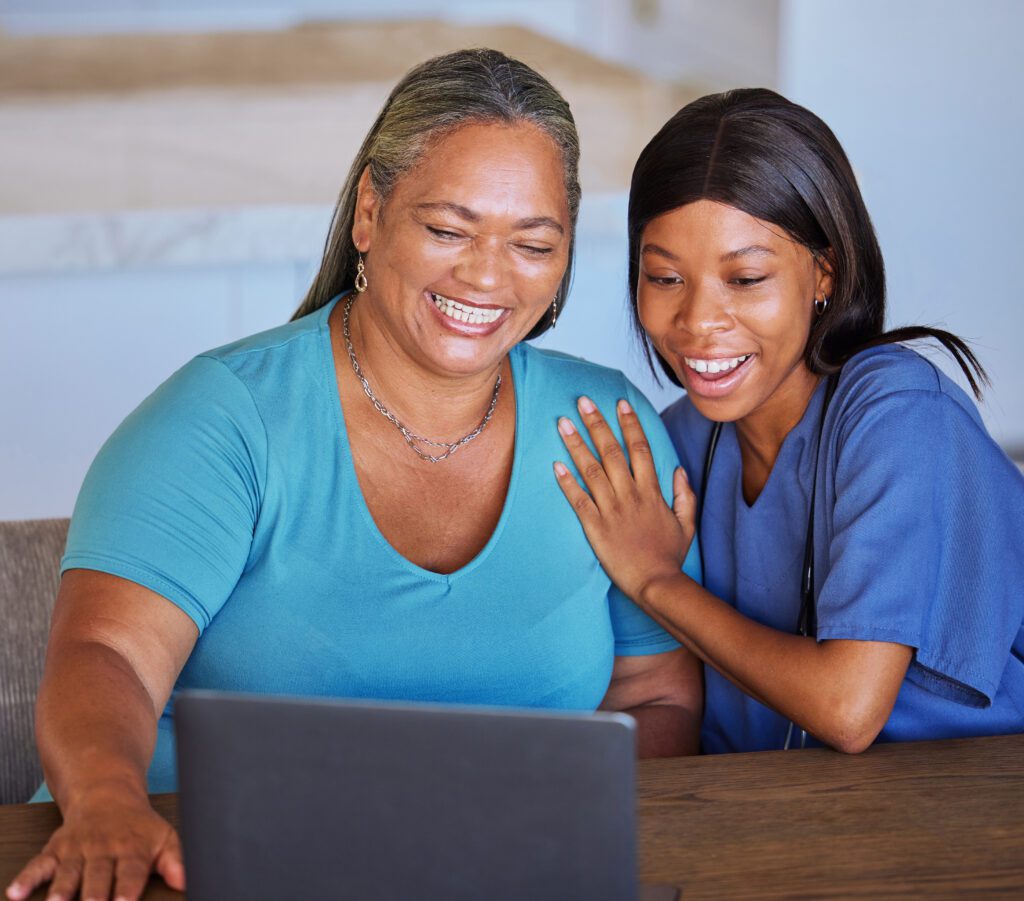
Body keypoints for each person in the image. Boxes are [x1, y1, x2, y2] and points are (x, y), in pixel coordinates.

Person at [7, 50, 702, 901]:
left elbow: (658, 693)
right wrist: (109, 803)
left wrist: (533, 817)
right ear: (370, 213)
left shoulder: (606, 428)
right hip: (185, 862)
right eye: (448, 229)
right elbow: (104, 652)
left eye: (532, 242)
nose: (487, 274)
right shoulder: (223, 419)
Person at [552, 88, 1024, 756]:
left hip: (962, 816)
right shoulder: (680, 438)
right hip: (773, 819)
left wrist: (658, 581)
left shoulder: (898, 412)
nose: (697, 323)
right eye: (665, 278)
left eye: (744, 279)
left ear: (823, 272)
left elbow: (848, 708)